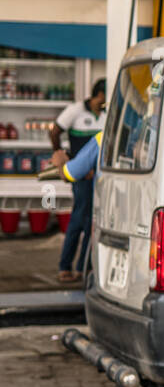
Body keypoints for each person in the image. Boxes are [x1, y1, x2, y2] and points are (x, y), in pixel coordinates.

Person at [52, 79, 106, 282]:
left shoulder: (107, 116)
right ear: (99, 95)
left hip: (96, 178)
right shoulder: (75, 111)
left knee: (91, 222)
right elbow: (55, 131)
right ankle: (65, 266)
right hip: (81, 174)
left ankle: (83, 267)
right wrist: (63, 157)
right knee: (79, 219)